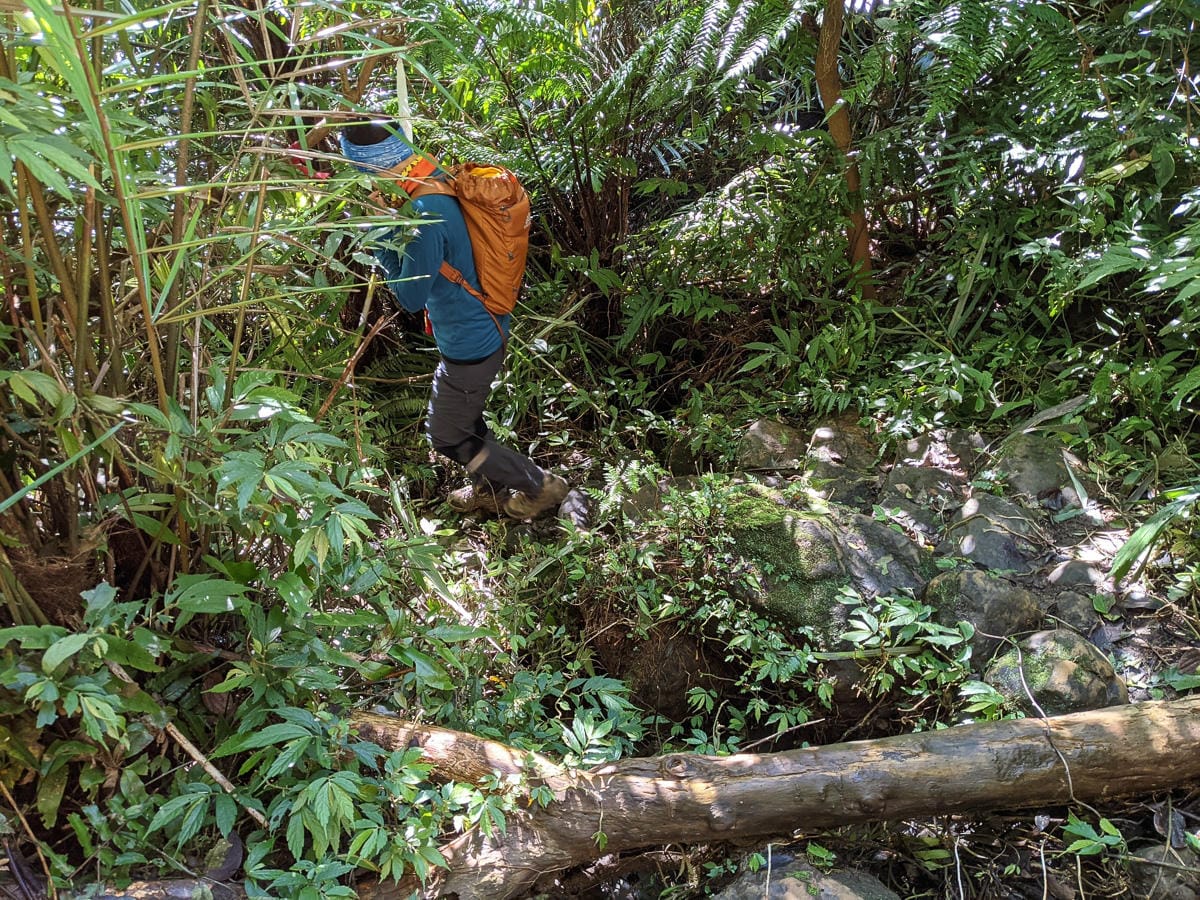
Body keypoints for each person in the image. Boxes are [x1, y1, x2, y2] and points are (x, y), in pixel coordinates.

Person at [340, 120, 568, 519]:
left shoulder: (424, 213)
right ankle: (489, 489)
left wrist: (379, 235)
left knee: (446, 436)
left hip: (471, 343)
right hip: (480, 327)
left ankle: (539, 486)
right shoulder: (432, 177)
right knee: (465, 420)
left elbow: (410, 297)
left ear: (376, 167)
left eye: (363, 173)